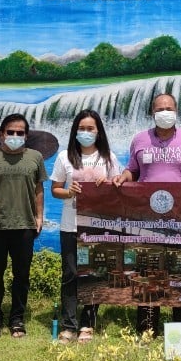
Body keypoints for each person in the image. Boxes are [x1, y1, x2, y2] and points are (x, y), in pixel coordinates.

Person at [114, 92, 181, 334]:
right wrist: (122, 177)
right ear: (152, 113)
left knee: (180, 273)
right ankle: (147, 330)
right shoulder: (139, 140)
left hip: (180, 220)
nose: (165, 113)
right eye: (160, 109)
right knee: (148, 273)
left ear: (176, 112)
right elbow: (132, 170)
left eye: (169, 108)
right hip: (147, 219)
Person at [50, 109, 123, 343]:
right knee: (70, 274)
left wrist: (109, 183)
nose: (86, 132)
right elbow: (55, 189)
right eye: (81, 128)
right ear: (75, 131)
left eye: (90, 128)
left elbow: (119, 187)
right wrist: (68, 191)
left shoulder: (108, 157)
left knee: (95, 274)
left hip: (98, 226)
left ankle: (87, 324)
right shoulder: (65, 157)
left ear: (98, 131)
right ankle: (69, 324)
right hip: (70, 225)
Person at [0, 113, 47, 339]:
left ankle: (17, 318)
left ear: (26, 136)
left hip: (25, 225)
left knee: (22, 275)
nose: (15, 136)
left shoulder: (35, 157)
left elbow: (38, 189)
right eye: (11, 132)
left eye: (20, 133)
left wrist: (39, 216)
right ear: (1, 134)